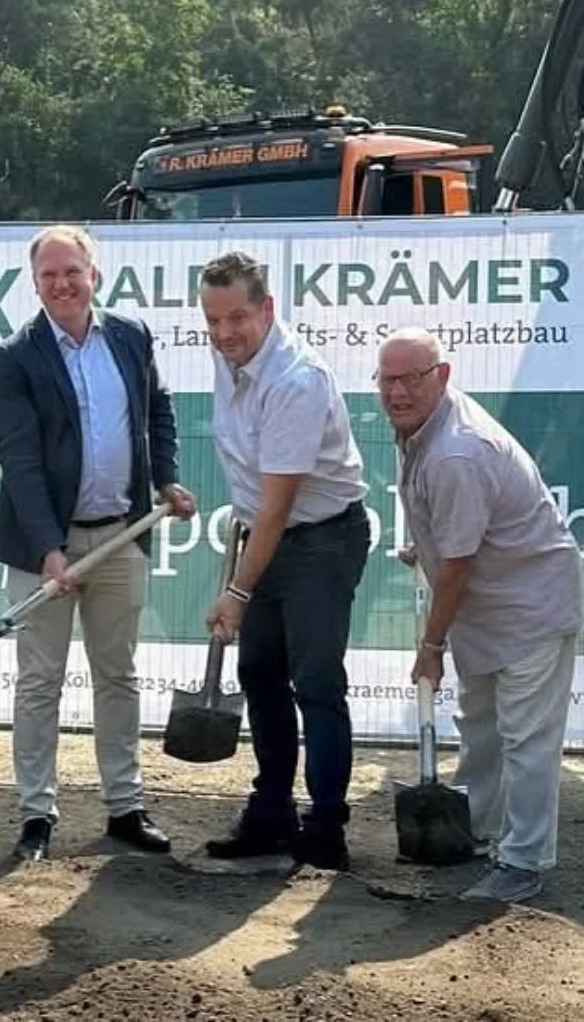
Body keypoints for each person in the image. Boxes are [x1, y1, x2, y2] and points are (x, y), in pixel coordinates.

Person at [0, 224, 196, 862]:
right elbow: (19, 463)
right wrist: (50, 548)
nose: (62, 284)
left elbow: (158, 410)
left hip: (121, 537)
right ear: (35, 284)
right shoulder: (14, 358)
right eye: (49, 275)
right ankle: (35, 816)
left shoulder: (129, 337)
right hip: (42, 547)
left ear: (95, 274)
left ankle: (125, 807)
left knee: (118, 676)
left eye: (72, 271)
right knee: (40, 682)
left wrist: (167, 478)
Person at [378, 328, 584, 902]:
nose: (397, 392)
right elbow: (456, 540)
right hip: (490, 604)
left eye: (411, 379)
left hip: (530, 606)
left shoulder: (456, 452)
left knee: (526, 738)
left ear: (441, 378)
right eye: (387, 380)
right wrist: (428, 547)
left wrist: (430, 647)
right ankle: (472, 828)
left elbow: (459, 566)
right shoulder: (421, 431)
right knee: (483, 724)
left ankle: (524, 861)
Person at [198, 251, 370, 871]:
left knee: (317, 683)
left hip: (322, 540)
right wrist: (245, 564)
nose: (223, 334)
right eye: (213, 320)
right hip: (266, 536)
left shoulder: (296, 380)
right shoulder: (232, 362)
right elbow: (257, 505)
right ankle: (271, 812)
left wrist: (238, 594)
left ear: (267, 310)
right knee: (260, 674)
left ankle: (326, 828)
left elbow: (278, 508)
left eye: (237, 318)